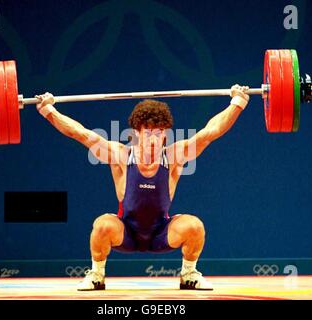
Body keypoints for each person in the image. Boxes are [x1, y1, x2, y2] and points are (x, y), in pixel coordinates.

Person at [35, 84, 249, 291]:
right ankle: (96, 275)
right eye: (148, 132)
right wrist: (48, 110)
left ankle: (189, 274)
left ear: (165, 134)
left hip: (161, 234)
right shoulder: (120, 155)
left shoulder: (174, 156)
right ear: (137, 133)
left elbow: (210, 132)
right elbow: (79, 133)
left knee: (194, 226)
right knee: (102, 225)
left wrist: (237, 102)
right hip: (125, 232)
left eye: (159, 132)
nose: (154, 138)